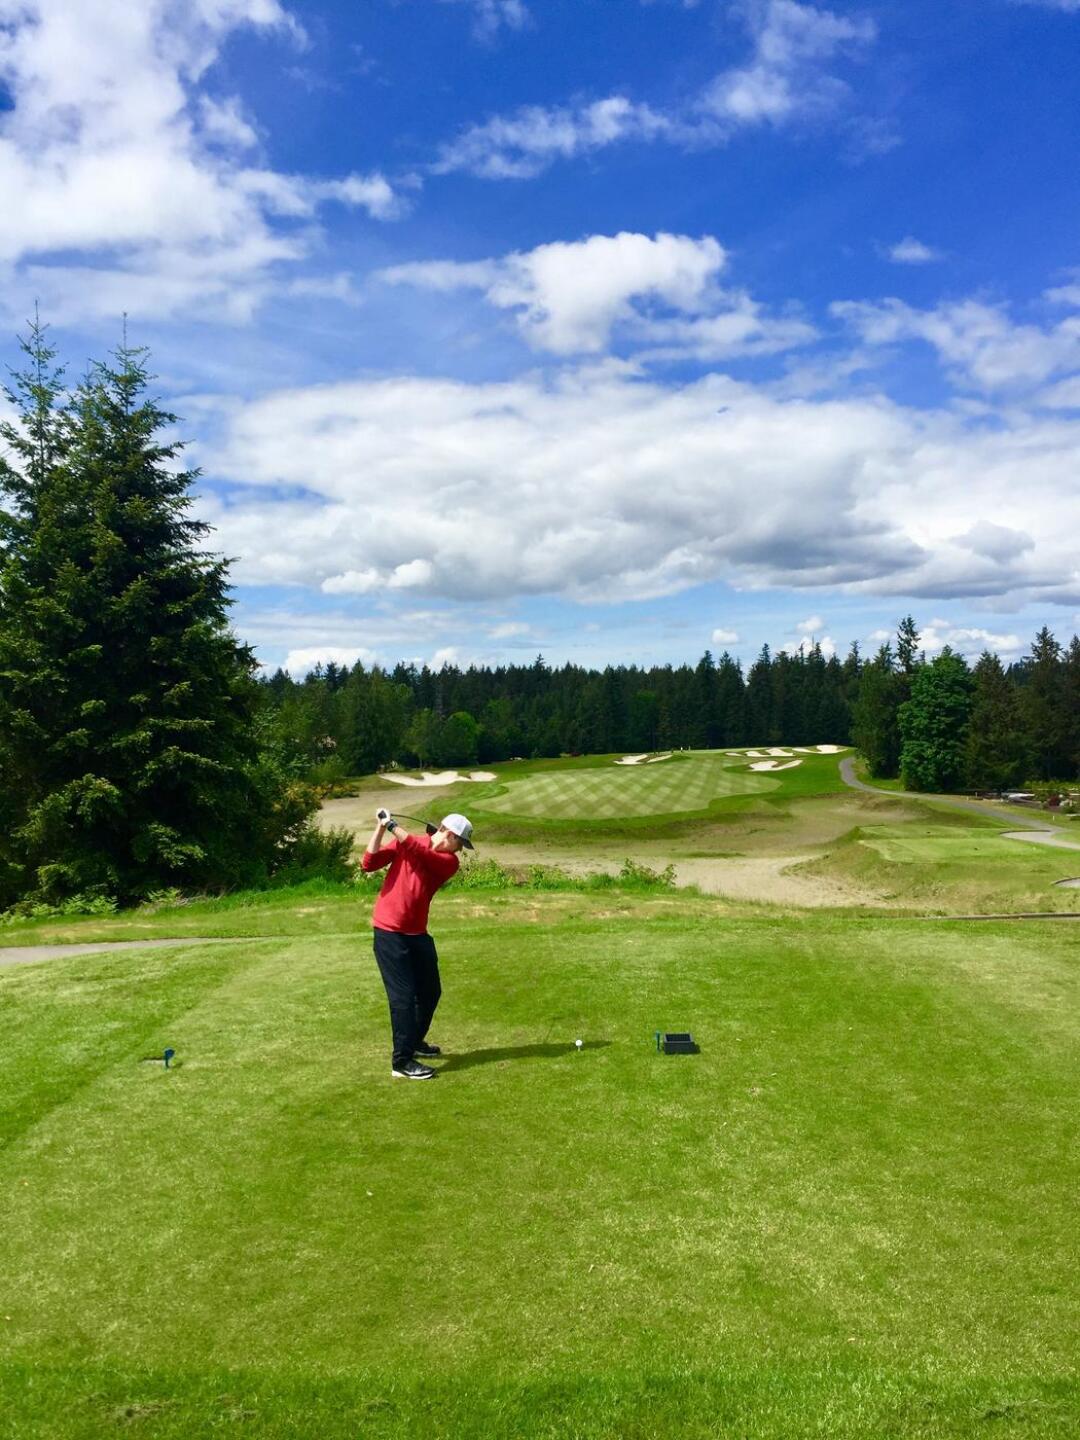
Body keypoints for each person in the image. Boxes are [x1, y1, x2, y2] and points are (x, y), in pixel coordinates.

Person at [362, 808, 474, 1079]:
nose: (460, 850)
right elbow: (368, 863)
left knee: (430, 992)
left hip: (417, 933)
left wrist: (393, 826)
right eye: (460, 843)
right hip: (389, 932)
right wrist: (381, 827)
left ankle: (413, 1041)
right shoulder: (409, 843)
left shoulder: (448, 863)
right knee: (402, 998)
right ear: (448, 834)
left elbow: (417, 850)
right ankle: (401, 1062)